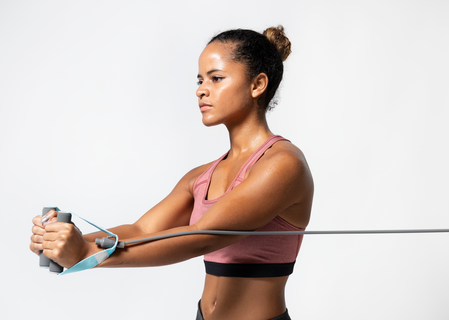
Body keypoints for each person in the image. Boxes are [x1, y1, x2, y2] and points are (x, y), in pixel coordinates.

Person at [30, 26, 314, 320]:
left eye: (216, 78)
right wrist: (63, 240)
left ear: (257, 85)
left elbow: (201, 237)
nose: (201, 89)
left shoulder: (283, 164)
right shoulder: (201, 177)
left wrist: (87, 255)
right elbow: (141, 231)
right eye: (200, 79)